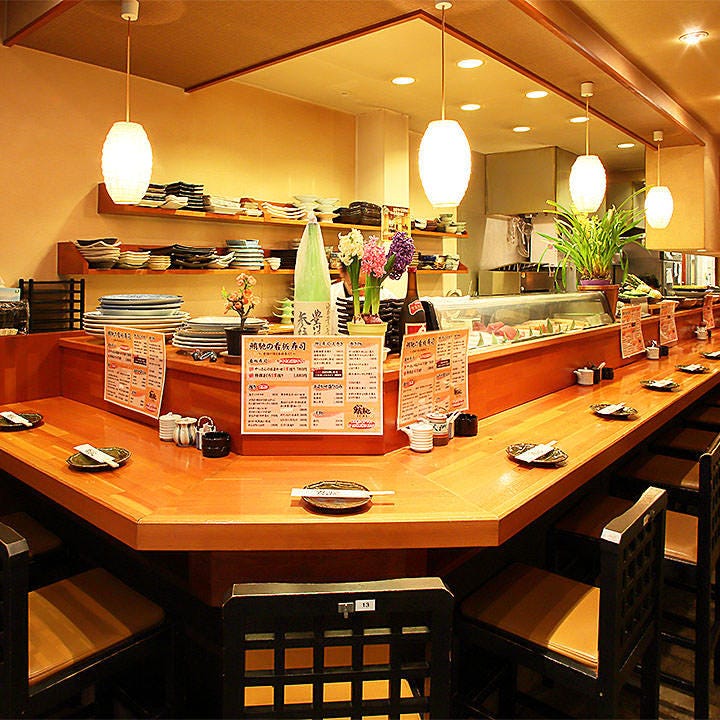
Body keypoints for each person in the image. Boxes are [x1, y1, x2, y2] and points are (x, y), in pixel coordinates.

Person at [330, 266, 395, 334]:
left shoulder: (387, 298)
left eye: (364, 286)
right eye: (357, 286)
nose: (360, 275)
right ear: (342, 272)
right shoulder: (331, 294)